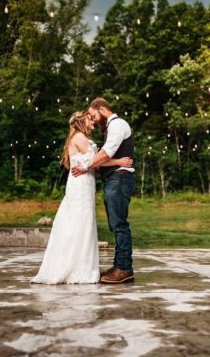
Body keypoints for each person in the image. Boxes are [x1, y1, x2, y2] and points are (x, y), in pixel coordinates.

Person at [31, 111, 132, 284]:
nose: (93, 121)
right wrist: (119, 162)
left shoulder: (80, 138)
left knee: (81, 222)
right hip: (80, 185)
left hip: (84, 183)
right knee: (79, 223)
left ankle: (79, 265)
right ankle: (77, 268)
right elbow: (96, 161)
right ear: (80, 121)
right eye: (89, 118)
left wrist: (93, 165)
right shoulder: (80, 138)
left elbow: (92, 163)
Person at [72, 98, 136, 284]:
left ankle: (124, 268)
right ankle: (120, 265)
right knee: (115, 224)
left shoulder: (118, 125)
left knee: (119, 225)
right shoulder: (110, 127)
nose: (93, 119)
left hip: (120, 178)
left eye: (93, 115)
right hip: (114, 178)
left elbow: (106, 153)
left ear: (102, 109)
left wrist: (85, 166)